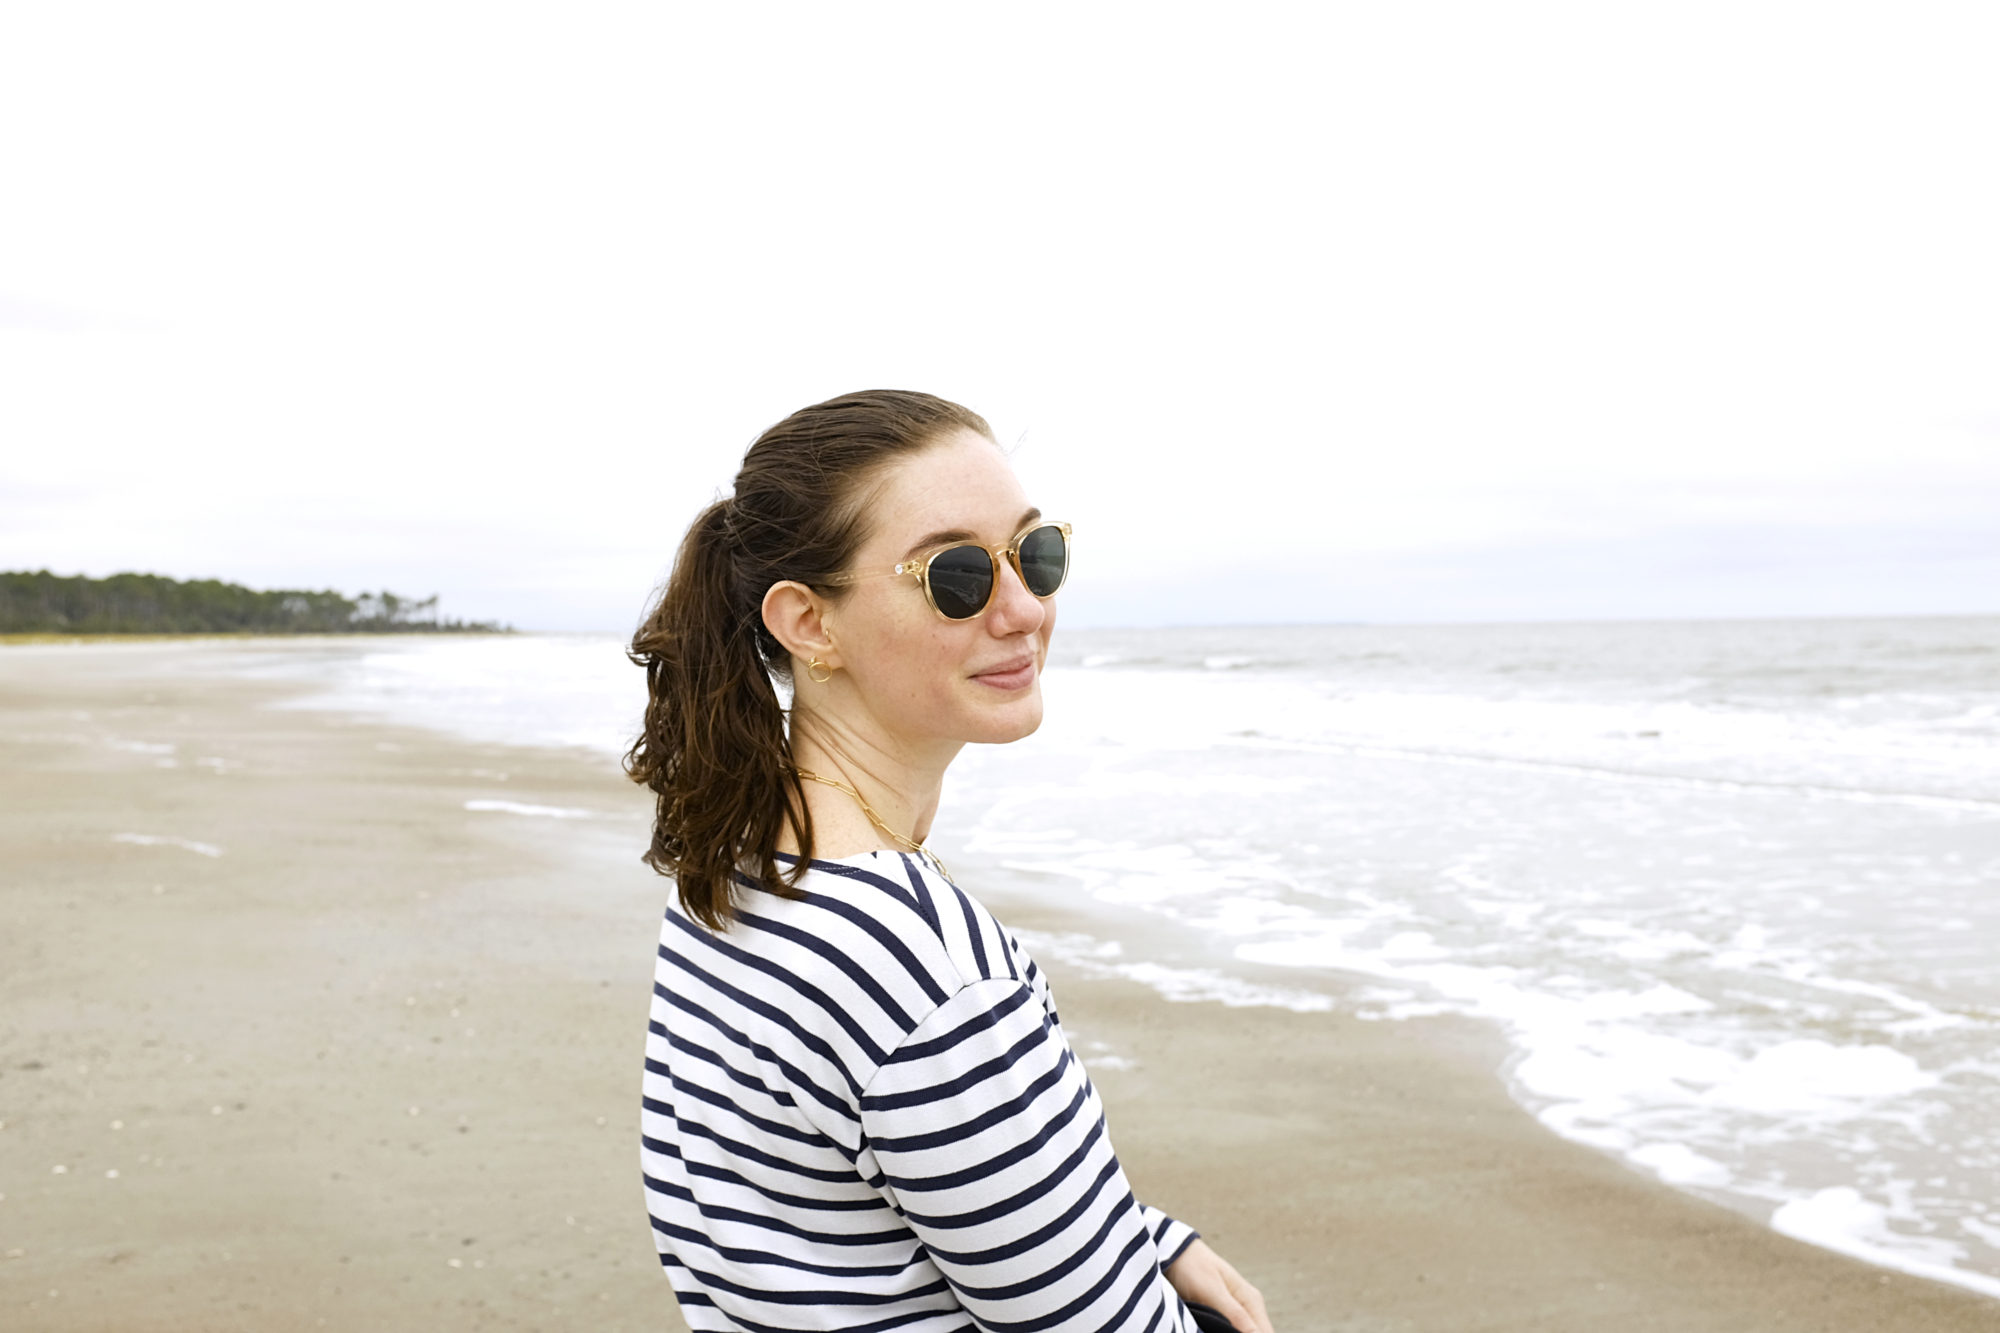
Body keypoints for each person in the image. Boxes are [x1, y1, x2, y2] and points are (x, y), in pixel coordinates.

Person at [626, 389, 1273, 1332]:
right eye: (957, 574)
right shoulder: (916, 962)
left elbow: (897, 1181)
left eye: (1035, 552)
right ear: (809, 622)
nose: (1023, 608)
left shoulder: (741, 861)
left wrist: (1143, 1238)